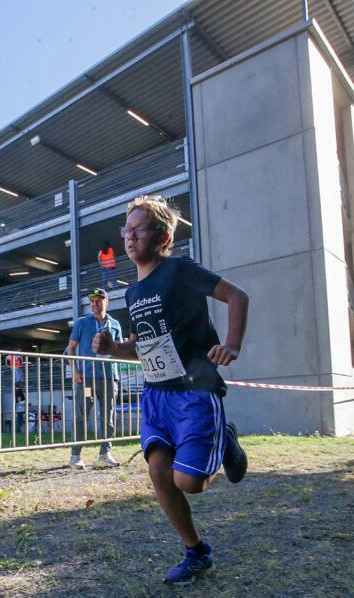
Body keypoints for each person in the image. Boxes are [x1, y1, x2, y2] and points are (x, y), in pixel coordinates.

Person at [92, 195, 249, 585]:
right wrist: (114, 349)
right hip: (157, 395)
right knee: (159, 471)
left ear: (162, 238)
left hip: (195, 391)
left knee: (188, 483)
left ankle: (225, 441)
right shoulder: (132, 293)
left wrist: (231, 344)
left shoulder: (178, 269)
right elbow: (141, 345)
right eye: (125, 229)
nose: (129, 237)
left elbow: (236, 296)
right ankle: (196, 553)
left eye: (138, 229)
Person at [63, 287, 123, 469]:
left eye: (98, 300)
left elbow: (121, 349)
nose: (94, 304)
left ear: (106, 302)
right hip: (87, 379)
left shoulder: (115, 324)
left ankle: (105, 454)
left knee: (107, 417)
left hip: (108, 378)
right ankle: (75, 456)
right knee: (82, 415)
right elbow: (70, 349)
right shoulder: (82, 323)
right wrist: (75, 371)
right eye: (92, 301)